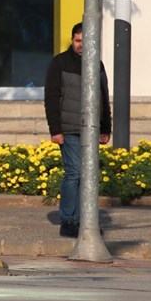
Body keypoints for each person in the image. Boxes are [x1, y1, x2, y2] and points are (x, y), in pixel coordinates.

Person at [44, 22, 112, 238]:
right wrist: (55, 129)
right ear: (72, 40)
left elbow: (103, 97)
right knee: (74, 173)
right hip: (69, 128)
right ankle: (69, 221)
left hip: (92, 129)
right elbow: (51, 99)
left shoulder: (97, 65)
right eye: (78, 40)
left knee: (89, 175)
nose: (81, 45)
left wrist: (106, 128)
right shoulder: (59, 63)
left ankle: (86, 221)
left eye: (86, 41)